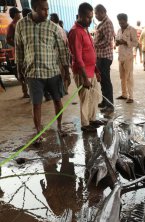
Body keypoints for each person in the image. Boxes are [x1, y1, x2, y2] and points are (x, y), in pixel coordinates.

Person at [15, 0, 71, 140]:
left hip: (52, 72)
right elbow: (19, 48)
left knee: (58, 101)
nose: (47, 12)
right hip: (33, 73)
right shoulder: (21, 25)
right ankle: (38, 132)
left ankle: (59, 126)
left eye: (47, 9)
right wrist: (18, 69)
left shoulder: (53, 27)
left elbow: (62, 50)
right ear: (33, 8)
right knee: (36, 104)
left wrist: (66, 71)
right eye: (43, 9)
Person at [68, 2, 102, 132]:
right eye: (88, 17)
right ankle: (85, 123)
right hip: (82, 73)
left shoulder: (85, 29)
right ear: (80, 15)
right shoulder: (75, 32)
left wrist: (96, 71)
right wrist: (85, 78)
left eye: (91, 17)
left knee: (94, 96)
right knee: (85, 98)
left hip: (91, 70)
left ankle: (92, 119)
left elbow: (90, 52)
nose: (90, 20)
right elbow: (77, 57)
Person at [94, 4, 115, 113]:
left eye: (97, 13)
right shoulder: (101, 23)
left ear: (103, 12)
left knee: (106, 81)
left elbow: (107, 41)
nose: (95, 15)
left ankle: (110, 104)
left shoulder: (107, 23)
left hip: (105, 57)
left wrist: (95, 45)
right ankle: (104, 101)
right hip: (100, 56)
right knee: (102, 80)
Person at [6, 6, 29, 98]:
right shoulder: (11, 26)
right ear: (14, 15)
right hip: (19, 53)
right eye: (18, 13)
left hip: (27, 51)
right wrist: (18, 45)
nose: (20, 14)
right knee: (21, 71)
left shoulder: (23, 23)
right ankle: (25, 92)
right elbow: (8, 39)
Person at [115, 13, 138, 104]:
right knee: (122, 77)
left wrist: (125, 42)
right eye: (119, 21)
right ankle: (124, 94)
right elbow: (116, 41)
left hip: (128, 57)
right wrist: (117, 43)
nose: (120, 23)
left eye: (122, 21)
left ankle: (131, 97)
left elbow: (136, 43)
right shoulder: (118, 30)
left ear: (126, 20)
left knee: (129, 77)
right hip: (120, 57)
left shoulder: (132, 30)